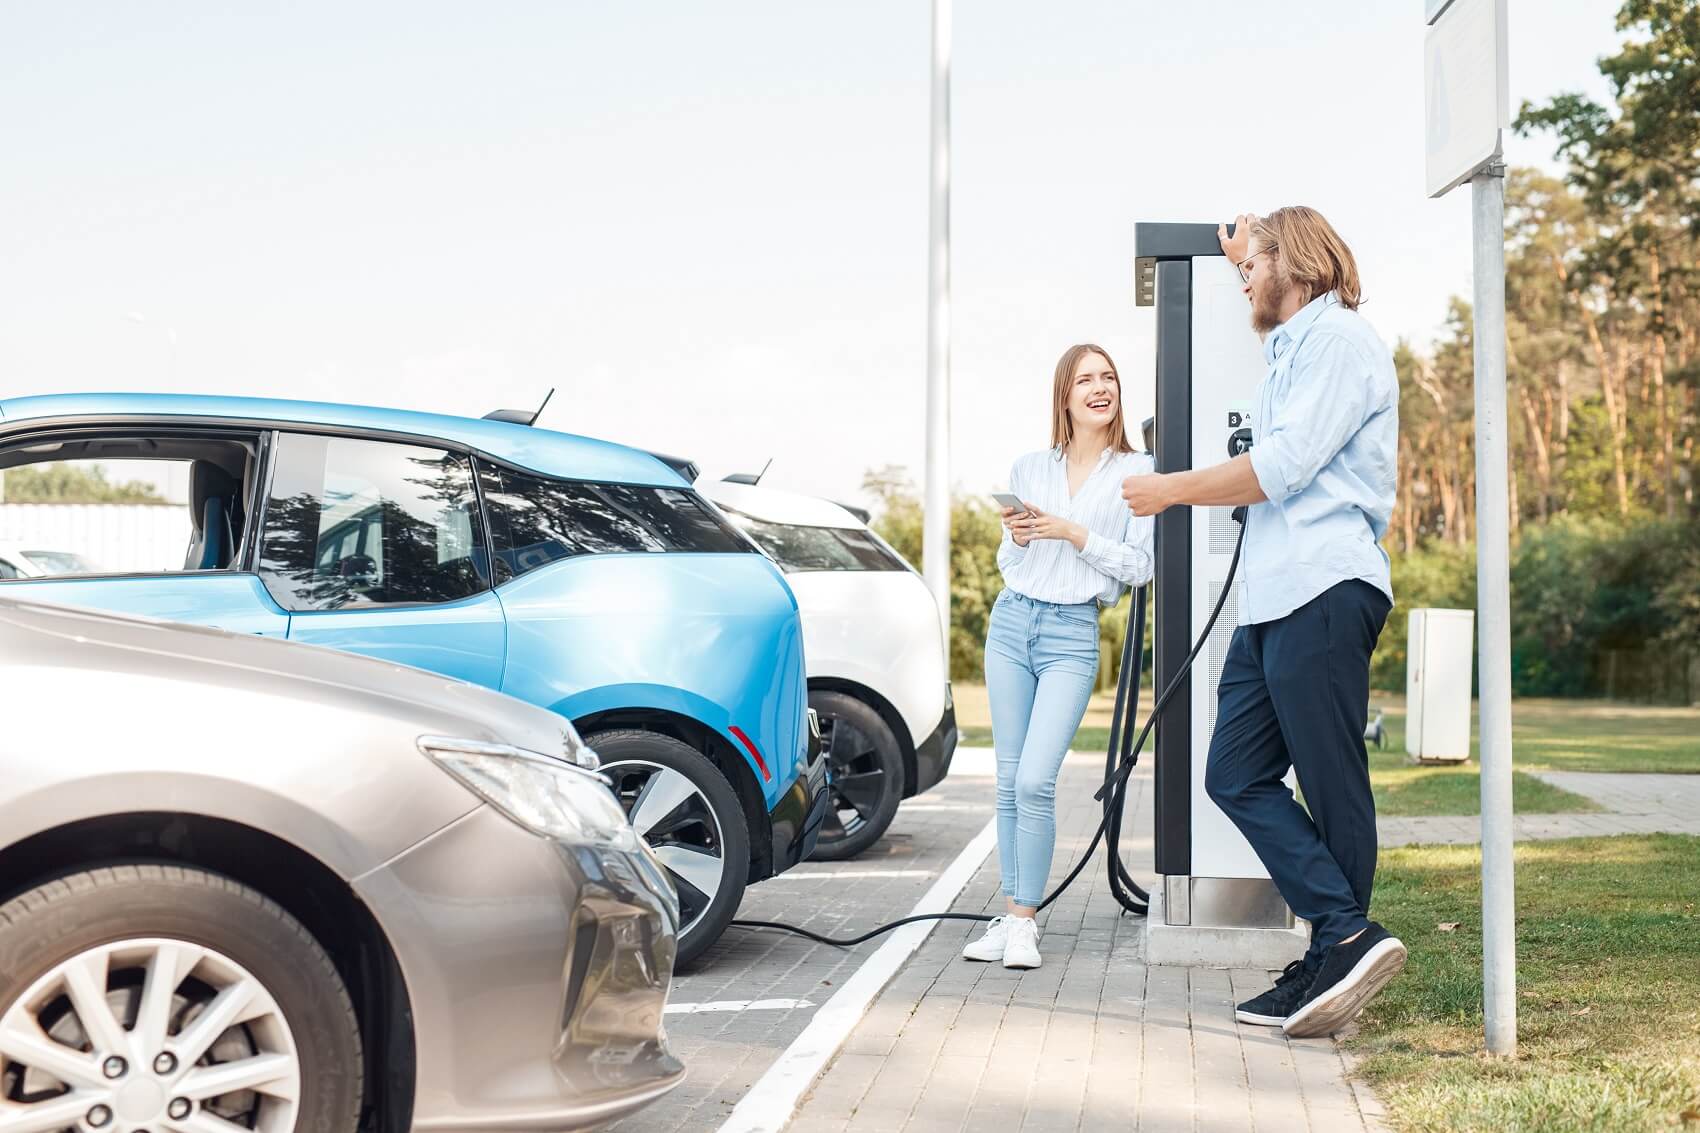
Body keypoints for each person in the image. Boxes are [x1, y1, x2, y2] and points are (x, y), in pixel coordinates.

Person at [1120, 208, 1402, 1038]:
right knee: (1233, 772)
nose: (1244, 273)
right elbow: (1273, 419)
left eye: (1256, 261)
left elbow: (1279, 467)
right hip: (1275, 594)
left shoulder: (1343, 344)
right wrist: (1252, 257)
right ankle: (1343, 935)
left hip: (1324, 582)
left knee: (1329, 778)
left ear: (1299, 259)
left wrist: (1171, 488)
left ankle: (1335, 945)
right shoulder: (1293, 347)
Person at [963, 343, 1155, 971]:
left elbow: (1139, 567)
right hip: (1013, 622)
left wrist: (1074, 532)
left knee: (1035, 780)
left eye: (1109, 378)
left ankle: (1022, 923)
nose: (1100, 388)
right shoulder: (1029, 467)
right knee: (1008, 784)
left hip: (1073, 632)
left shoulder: (1138, 471)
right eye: (1086, 380)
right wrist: (1018, 537)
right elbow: (1009, 562)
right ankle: (1016, 912)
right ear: (1064, 396)